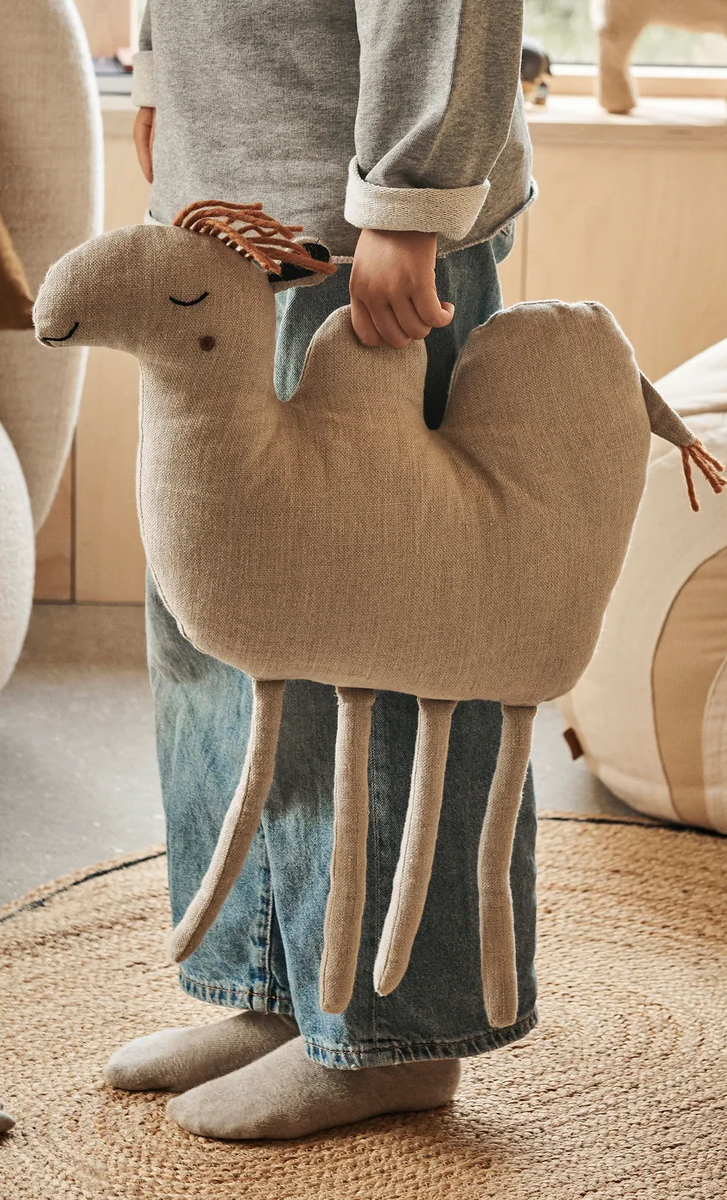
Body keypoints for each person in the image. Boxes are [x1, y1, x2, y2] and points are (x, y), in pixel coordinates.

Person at [102, 0, 539, 1141]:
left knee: (384, 644)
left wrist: (409, 199)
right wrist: (157, 72)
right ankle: (280, 987)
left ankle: (389, 1031)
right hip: (220, 213)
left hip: (360, 246)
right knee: (222, 625)